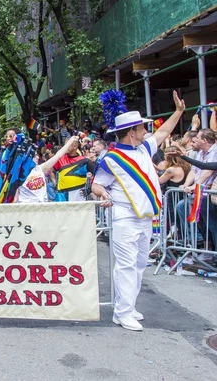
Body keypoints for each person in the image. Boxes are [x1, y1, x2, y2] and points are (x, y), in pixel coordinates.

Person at [92, 90, 184, 331]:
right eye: (142, 128)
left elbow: (164, 133)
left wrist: (179, 112)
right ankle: (121, 313)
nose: (146, 132)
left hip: (145, 218)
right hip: (124, 217)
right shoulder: (111, 159)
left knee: (140, 263)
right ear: (132, 132)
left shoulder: (144, 149)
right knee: (125, 264)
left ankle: (128, 306)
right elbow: (97, 184)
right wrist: (103, 194)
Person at [18, 136, 79, 203]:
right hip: (27, 208)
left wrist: (70, 141)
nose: (38, 157)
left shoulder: (39, 169)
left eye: (37, 155)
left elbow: (58, 155)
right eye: (34, 156)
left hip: (43, 207)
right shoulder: (18, 174)